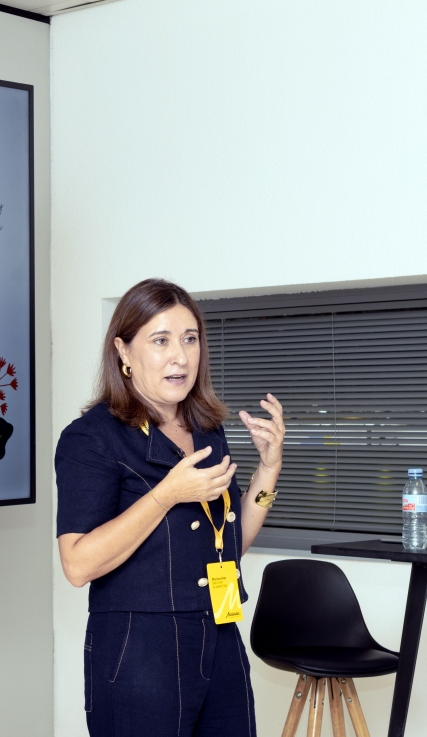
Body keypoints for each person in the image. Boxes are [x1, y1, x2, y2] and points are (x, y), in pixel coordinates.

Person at [55, 278, 285, 737]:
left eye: (190, 338)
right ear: (123, 351)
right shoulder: (90, 438)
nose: (180, 356)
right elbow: (77, 564)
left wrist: (269, 470)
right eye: (160, 341)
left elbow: (230, 543)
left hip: (219, 633)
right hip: (140, 649)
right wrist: (165, 495)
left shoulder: (206, 429)